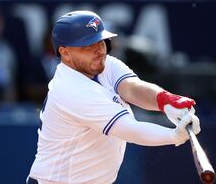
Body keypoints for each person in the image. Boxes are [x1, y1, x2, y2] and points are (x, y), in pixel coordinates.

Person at [27, 10, 201, 184]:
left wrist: (166, 101)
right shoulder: (70, 89)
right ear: (65, 53)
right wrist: (173, 136)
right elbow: (128, 129)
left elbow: (132, 89)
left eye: (100, 41)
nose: (99, 50)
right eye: (87, 45)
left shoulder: (102, 64)